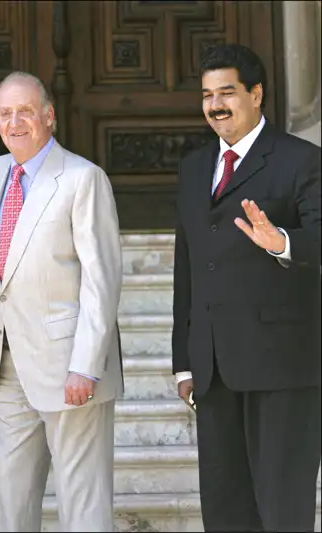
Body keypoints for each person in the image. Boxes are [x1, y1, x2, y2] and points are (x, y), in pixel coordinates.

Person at [172, 43, 321, 532]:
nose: (216, 104)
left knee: (282, 510)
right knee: (225, 511)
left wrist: (281, 241)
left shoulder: (302, 160)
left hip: (282, 369)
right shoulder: (195, 168)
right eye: (208, 95)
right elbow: (187, 267)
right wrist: (184, 361)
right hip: (214, 372)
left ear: (256, 94)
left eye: (228, 93)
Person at [0, 71, 124, 532]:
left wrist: (86, 364)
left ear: (48, 116)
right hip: (9, 362)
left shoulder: (83, 178)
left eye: (25, 111)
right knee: (12, 496)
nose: (15, 121)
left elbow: (102, 278)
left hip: (70, 366)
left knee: (83, 498)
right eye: (5, 113)